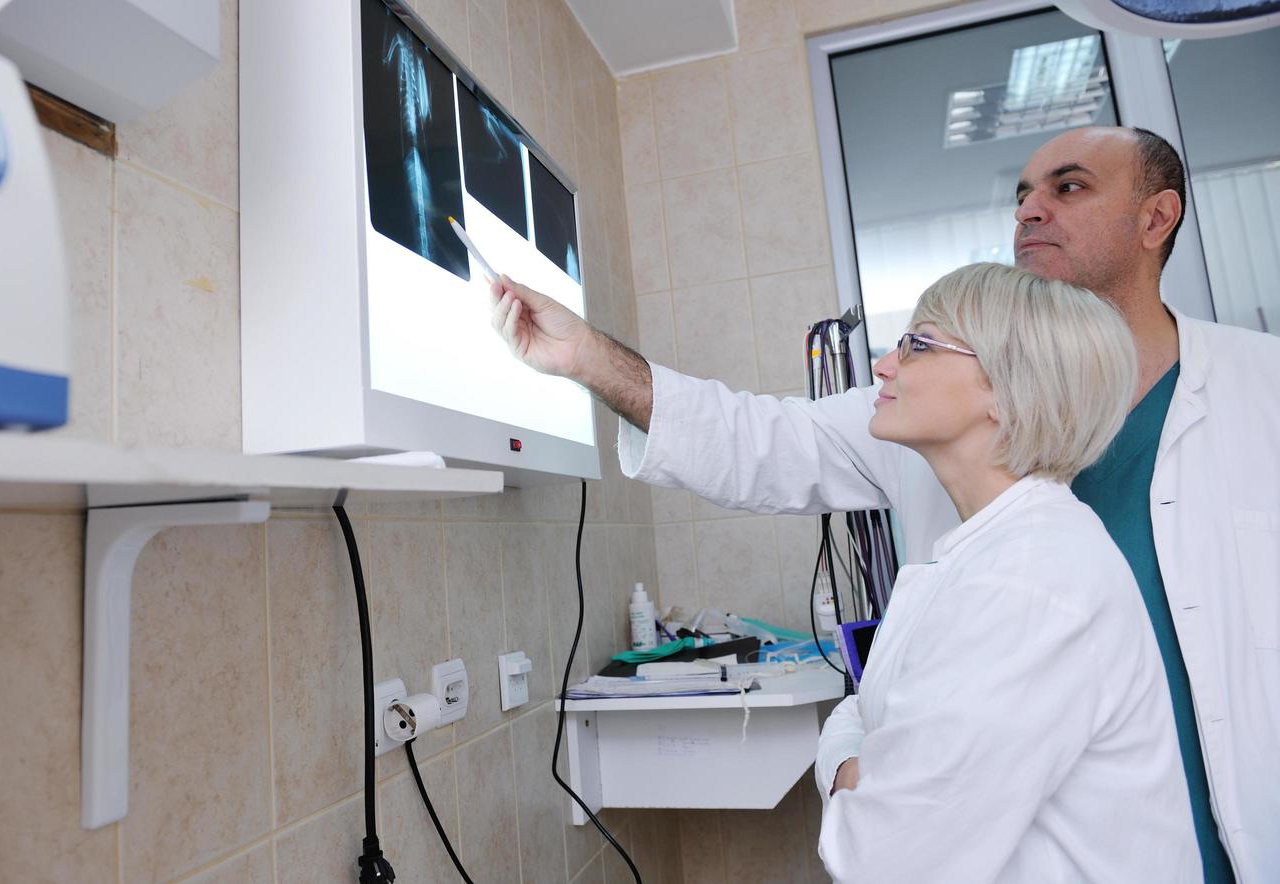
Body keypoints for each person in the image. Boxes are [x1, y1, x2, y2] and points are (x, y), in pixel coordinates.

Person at [487, 126, 1279, 882]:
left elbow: (882, 846)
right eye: (1022, 193)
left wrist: (851, 749)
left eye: (1068, 187)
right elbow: (759, 439)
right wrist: (588, 357)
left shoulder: (1257, 389)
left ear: (1157, 216)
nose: (1030, 209)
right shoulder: (949, 432)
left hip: (1230, 819)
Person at [824, 261, 1197, 880]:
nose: (884, 366)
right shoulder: (989, 552)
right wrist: (860, 763)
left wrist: (847, 764)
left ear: (1006, 386)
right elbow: (869, 722)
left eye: (917, 345)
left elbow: (886, 858)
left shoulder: (1029, 579)